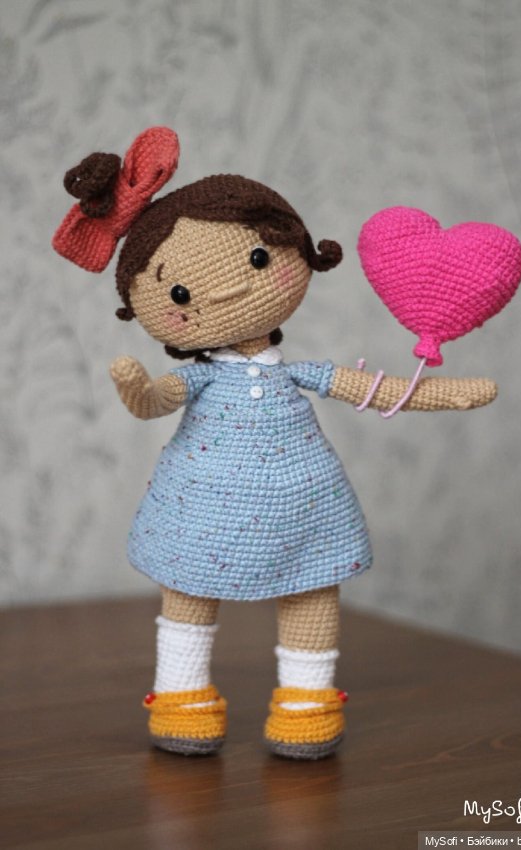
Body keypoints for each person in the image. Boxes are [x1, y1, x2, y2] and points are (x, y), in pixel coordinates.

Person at [53, 128, 495, 760]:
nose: (229, 292)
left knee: (311, 591)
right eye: (180, 294)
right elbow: (158, 400)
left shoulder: (300, 373)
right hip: (200, 511)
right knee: (187, 589)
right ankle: (182, 699)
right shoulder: (200, 377)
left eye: (259, 260)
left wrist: (446, 393)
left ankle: (307, 706)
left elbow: (373, 388)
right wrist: (138, 391)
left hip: (304, 509)